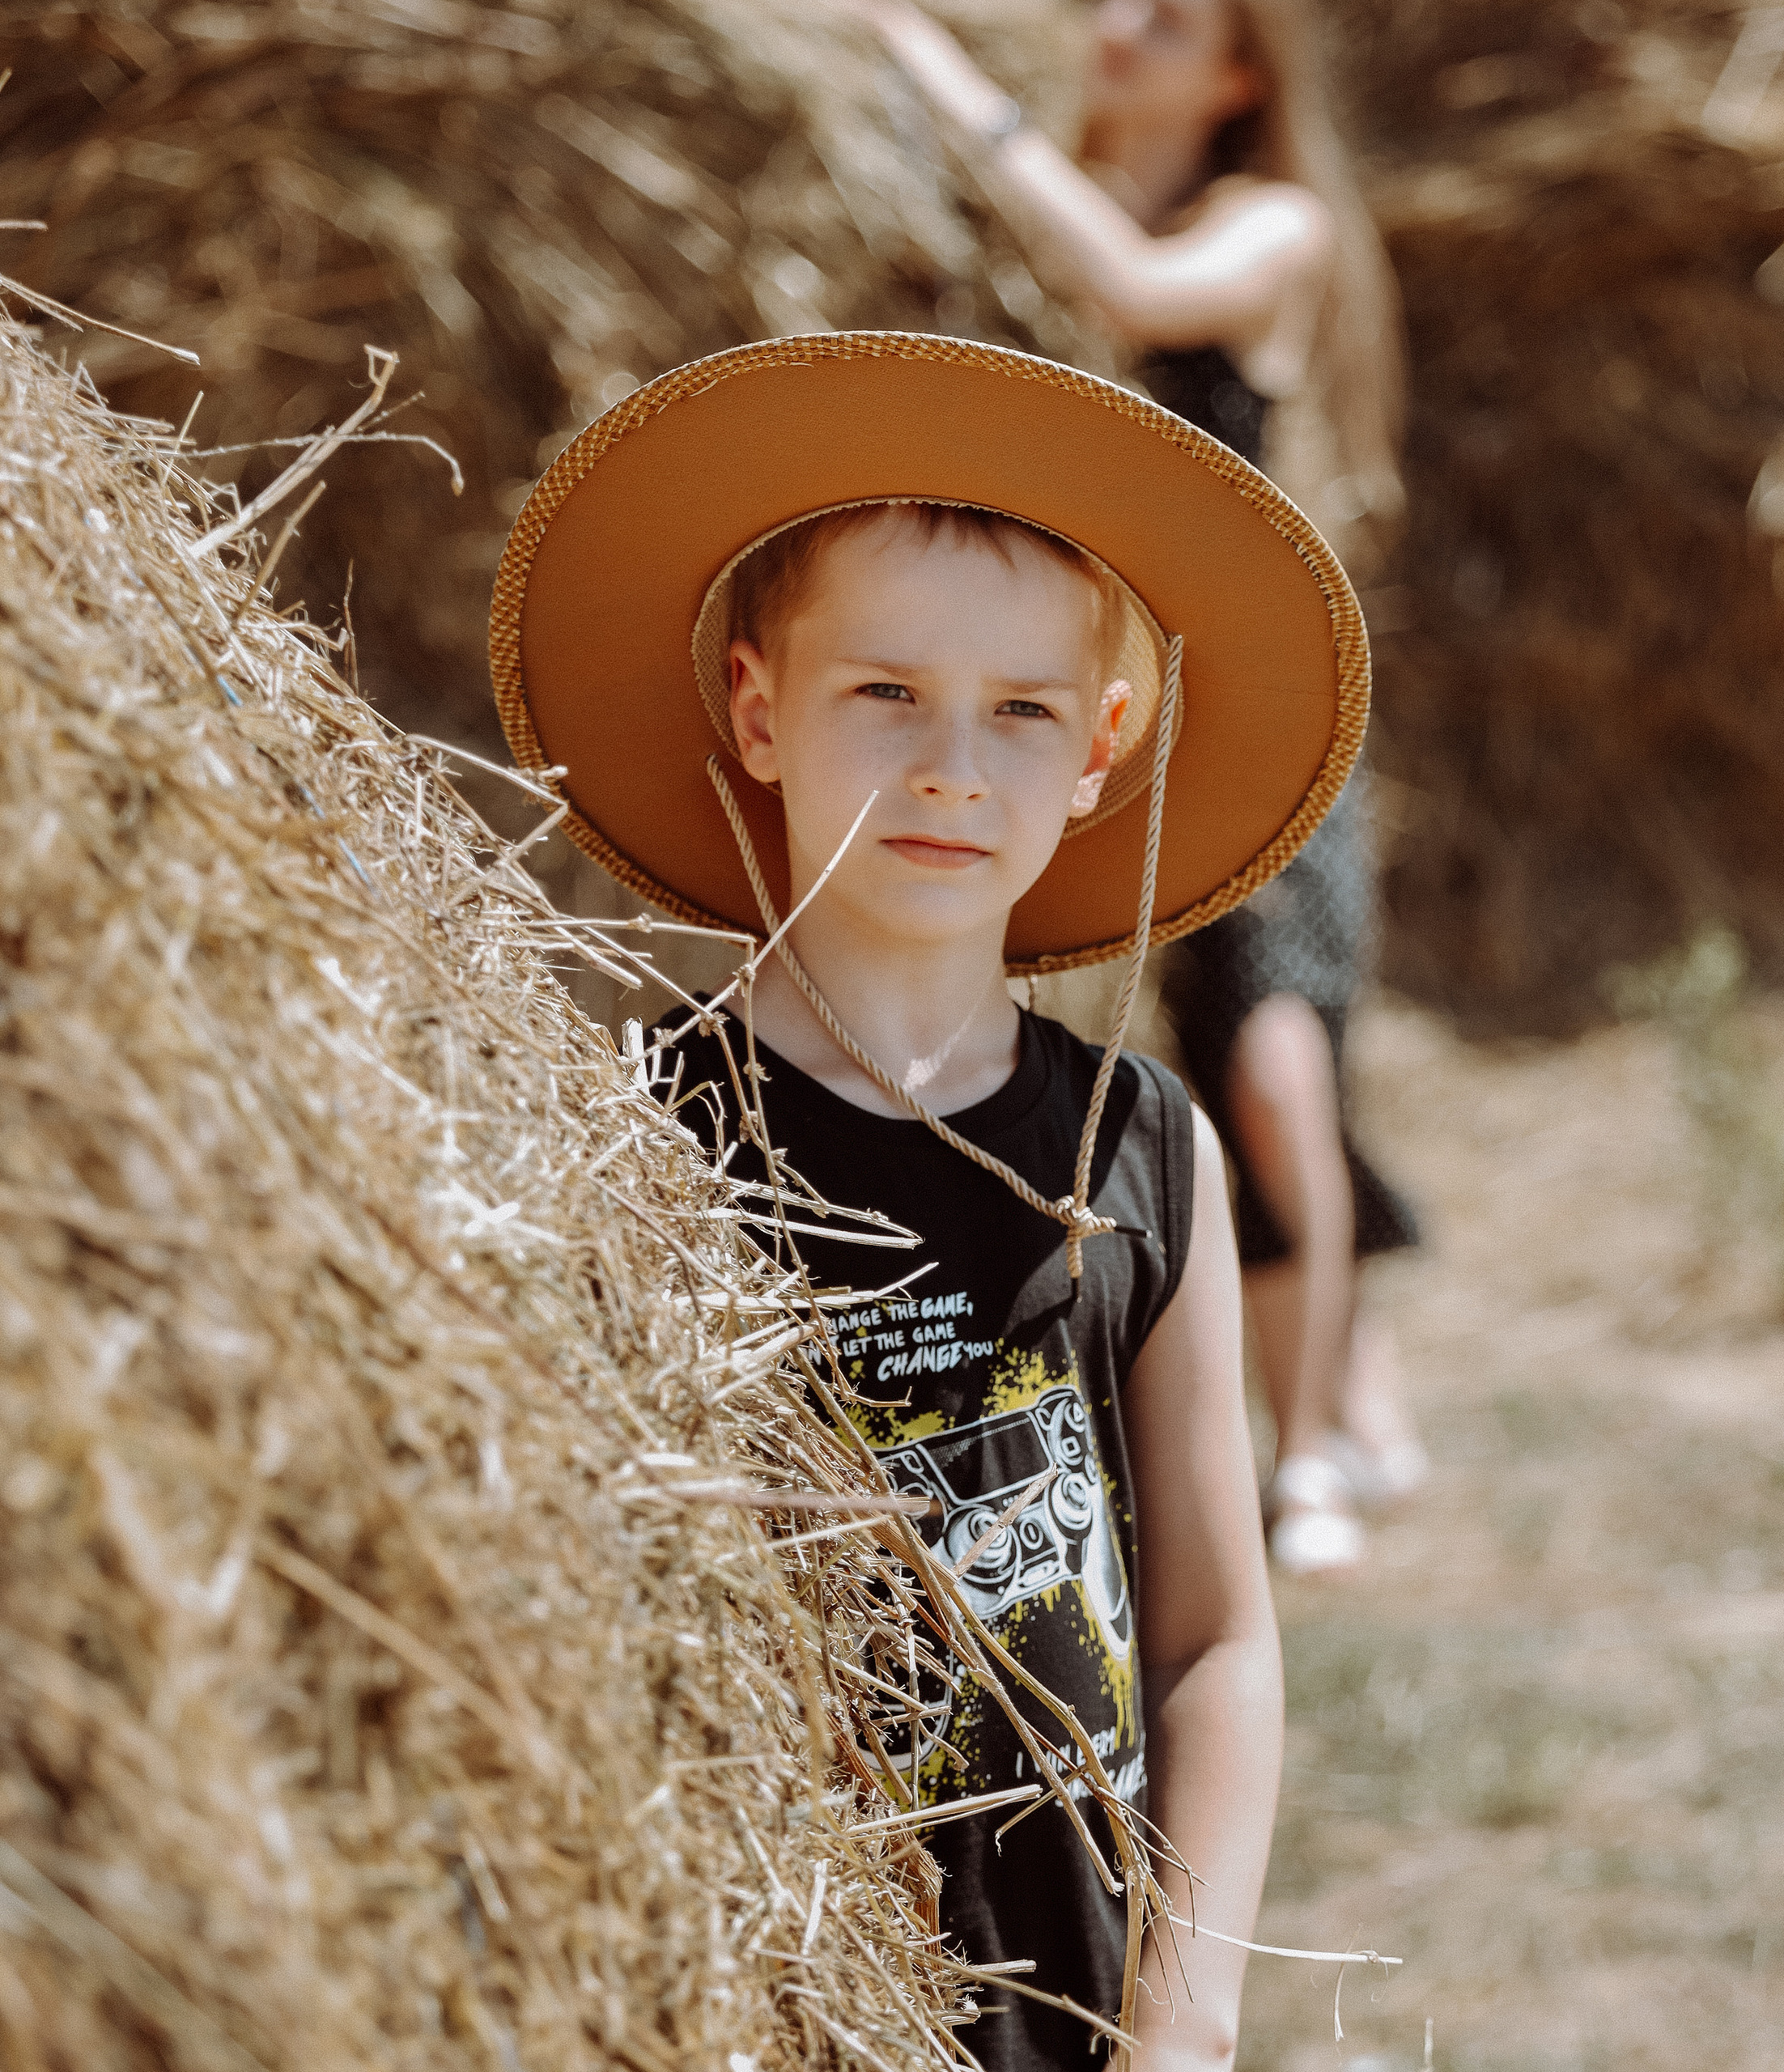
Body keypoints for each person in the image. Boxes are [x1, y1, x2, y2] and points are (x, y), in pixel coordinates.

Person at [488, 337, 1371, 2070]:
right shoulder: (633, 1134)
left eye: (1022, 708)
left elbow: (1209, 1635)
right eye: (882, 690)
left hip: (1078, 2009)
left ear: (1102, 746)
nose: (954, 764)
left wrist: (1185, 2016)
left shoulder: (1144, 1143)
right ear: (758, 710)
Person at [847, 0, 1429, 1573]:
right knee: (1168, 1066)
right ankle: (1330, 1386)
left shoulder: (1270, 227)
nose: (1116, 26)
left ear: (1241, 75)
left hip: (1252, 704)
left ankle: (1304, 1449)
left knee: (1275, 1058)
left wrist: (924, 58)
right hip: (1085, 707)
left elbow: (1137, 284)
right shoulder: (1046, 229)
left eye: (1165, 16)